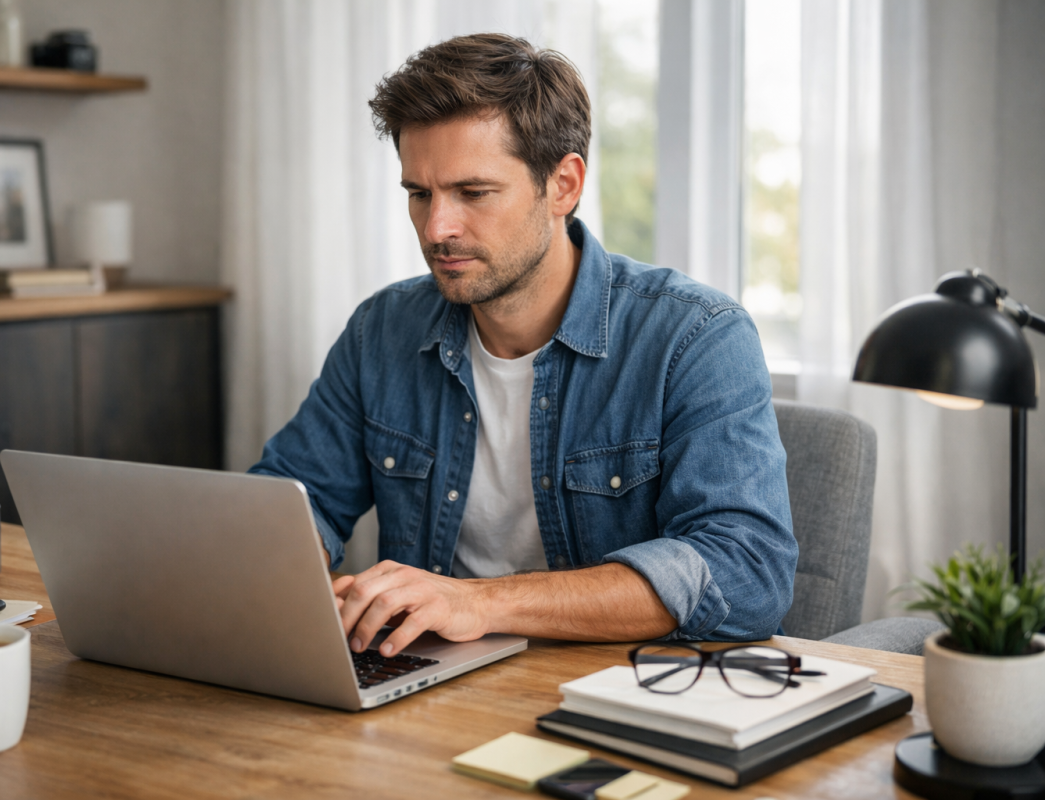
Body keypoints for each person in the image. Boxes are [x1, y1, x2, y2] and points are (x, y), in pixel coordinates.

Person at [249, 33, 797, 658]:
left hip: (609, 695)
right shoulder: (383, 330)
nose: (437, 228)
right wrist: (292, 567)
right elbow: (294, 502)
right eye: (418, 194)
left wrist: (479, 602)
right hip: (425, 686)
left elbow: (746, 573)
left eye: (473, 193)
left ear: (563, 184)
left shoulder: (696, 337)